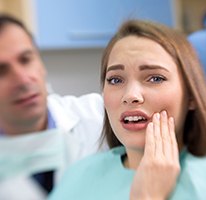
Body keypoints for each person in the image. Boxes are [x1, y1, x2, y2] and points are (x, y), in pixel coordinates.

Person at [49, 20, 206, 200]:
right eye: (115, 80)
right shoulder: (77, 177)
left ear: (191, 96)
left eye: (155, 78)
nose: (130, 95)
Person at [0, 15, 172, 200]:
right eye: (1, 71)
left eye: (26, 60)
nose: (23, 79)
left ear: (41, 64)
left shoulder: (102, 116)